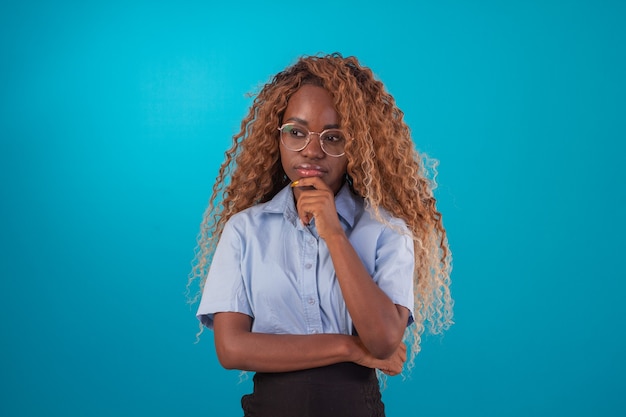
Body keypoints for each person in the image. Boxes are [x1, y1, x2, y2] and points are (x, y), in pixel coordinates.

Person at [187, 53, 453, 417]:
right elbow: (232, 349)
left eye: (333, 137)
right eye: (296, 132)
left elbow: (383, 340)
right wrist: (348, 348)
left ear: (356, 146)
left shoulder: (386, 231)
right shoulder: (245, 230)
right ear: (276, 137)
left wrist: (333, 233)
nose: (312, 150)